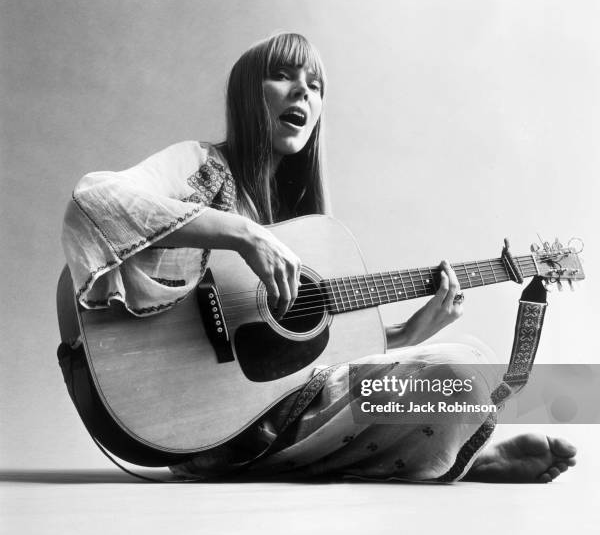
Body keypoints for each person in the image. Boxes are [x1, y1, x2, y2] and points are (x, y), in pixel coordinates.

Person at [62, 32, 576, 483]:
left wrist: (408, 335)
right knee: (461, 375)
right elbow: (95, 200)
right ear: (247, 95)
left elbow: (311, 368)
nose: (302, 90)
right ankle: (465, 460)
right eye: (282, 76)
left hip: (284, 413)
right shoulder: (201, 166)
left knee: (464, 368)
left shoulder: (307, 223)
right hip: (194, 420)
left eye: (315, 84)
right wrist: (242, 234)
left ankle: (458, 459)